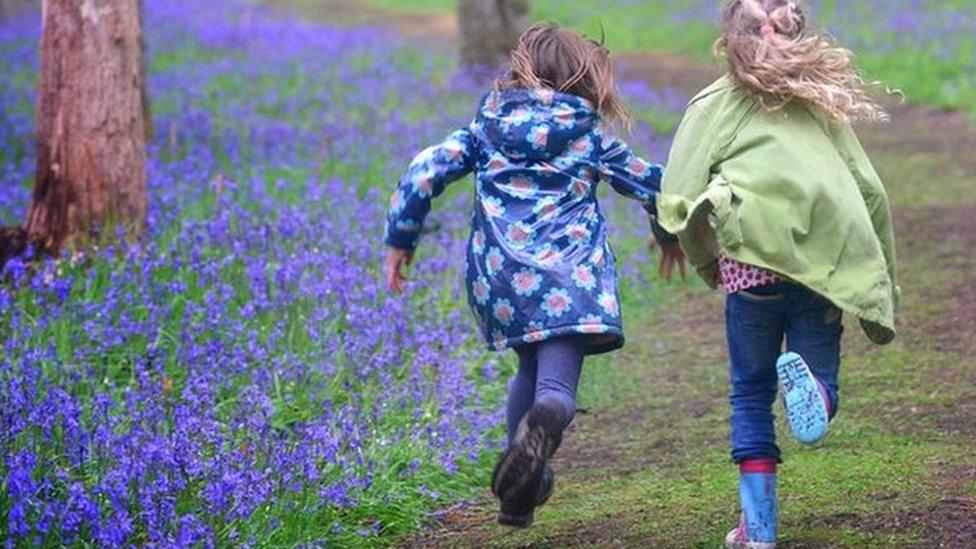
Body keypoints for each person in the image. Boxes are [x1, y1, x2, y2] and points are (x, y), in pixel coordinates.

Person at [383, 22, 685, 528]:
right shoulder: (589, 136)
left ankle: (520, 492)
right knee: (554, 393)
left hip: (502, 282)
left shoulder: (486, 128)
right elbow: (655, 184)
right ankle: (545, 423)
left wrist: (400, 237)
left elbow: (423, 171)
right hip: (571, 281)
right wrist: (669, 235)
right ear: (583, 80)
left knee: (528, 365)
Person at [656, 1, 898, 547]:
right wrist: (883, 287)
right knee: (819, 376)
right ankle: (815, 393)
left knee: (749, 394)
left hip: (751, 266)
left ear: (730, 38)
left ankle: (758, 530)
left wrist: (705, 260)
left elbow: (678, 194)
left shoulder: (713, 104)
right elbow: (873, 191)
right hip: (821, 266)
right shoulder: (820, 105)